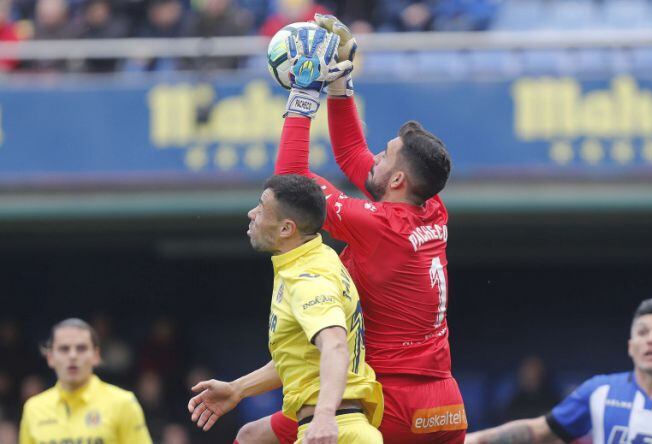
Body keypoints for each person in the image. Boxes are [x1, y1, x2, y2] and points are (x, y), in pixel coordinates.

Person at [231, 15, 466, 443]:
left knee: (251, 437)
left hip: (389, 397)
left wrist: (304, 95)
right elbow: (352, 152)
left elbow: (290, 178)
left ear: (398, 181)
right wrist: (340, 87)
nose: (376, 153)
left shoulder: (379, 226)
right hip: (445, 402)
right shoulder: (432, 207)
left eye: (388, 153)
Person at [187, 174, 384, 443]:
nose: (251, 213)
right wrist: (237, 389)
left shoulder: (308, 278)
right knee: (248, 437)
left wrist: (325, 414)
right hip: (333, 426)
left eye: (261, 207)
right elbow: (298, 358)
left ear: (286, 229)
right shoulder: (312, 258)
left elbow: (335, 344)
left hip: (335, 430)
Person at [465, 297, 652, 444]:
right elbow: (539, 431)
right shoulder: (600, 392)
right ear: (631, 346)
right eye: (643, 332)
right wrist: (473, 440)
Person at [18, 318, 152, 444]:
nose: (73, 356)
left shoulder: (123, 403)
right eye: (64, 349)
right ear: (50, 357)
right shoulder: (33, 409)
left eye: (81, 348)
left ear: (96, 356)